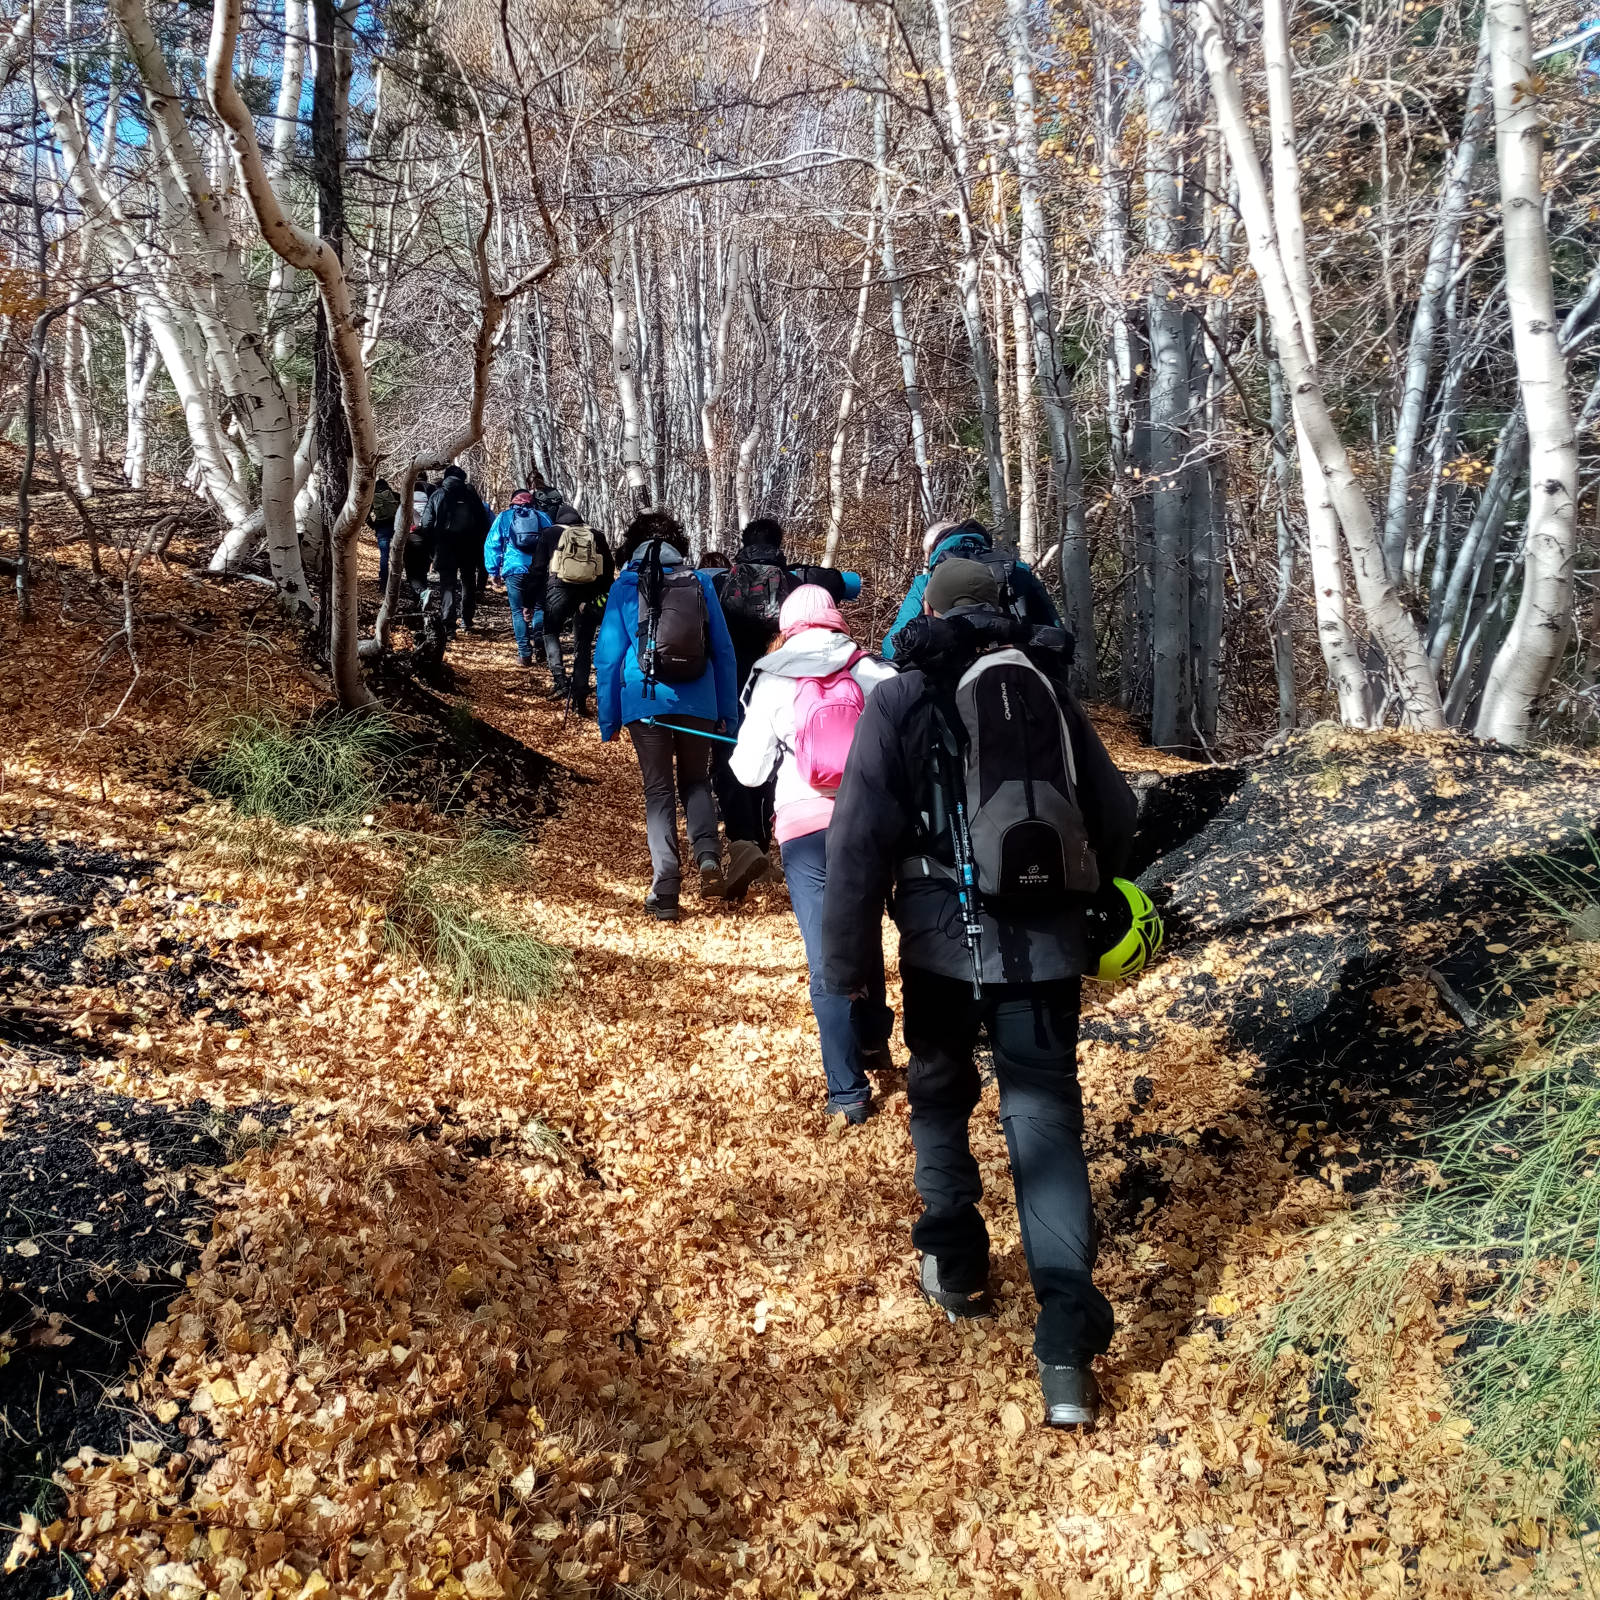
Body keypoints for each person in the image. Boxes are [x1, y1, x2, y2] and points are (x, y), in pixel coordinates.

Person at [821, 557, 1137, 1429]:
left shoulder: (900, 697)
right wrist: (1081, 896)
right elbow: (1115, 816)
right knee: (1044, 1120)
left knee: (939, 1091)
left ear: (932, 611)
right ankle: (1067, 1346)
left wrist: (847, 972)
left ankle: (956, 1262)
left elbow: (856, 846)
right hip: (1043, 951)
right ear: (999, 611)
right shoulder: (1047, 686)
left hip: (938, 947)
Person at [729, 585, 897, 1123]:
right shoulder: (872, 670)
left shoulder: (773, 674)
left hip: (805, 829)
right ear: (836, 620)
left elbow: (748, 771)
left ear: (789, 624)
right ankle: (874, 1038)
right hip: (869, 824)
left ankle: (847, 1093)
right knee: (865, 926)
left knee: (827, 952)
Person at [594, 511, 741, 922]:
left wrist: (609, 719)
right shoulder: (700, 582)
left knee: (658, 792)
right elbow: (724, 652)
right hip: (699, 700)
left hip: (645, 702)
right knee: (696, 781)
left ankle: (667, 891)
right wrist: (726, 713)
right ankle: (709, 858)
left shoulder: (625, 585)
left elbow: (607, 658)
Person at [712, 518, 861, 897]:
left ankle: (742, 843)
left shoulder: (719, 582)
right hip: (782, 682)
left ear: (742, 544)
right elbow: (848, 584)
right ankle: (765, 843)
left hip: (730, 686)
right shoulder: (799, 584)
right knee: (778, 760)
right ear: (779, 543)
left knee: (733, 758)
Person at [882, 517, 1060, 660]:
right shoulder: (1019, 571)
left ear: (931, 551)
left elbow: (892, 649)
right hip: (1020, 683)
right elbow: (1056, 637)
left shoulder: (926, 581)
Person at [541, 505, 612, 715]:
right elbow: (608, 570)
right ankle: (580, 693)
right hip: (589, 595)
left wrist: (531, 600)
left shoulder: (550, 533)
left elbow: (538, 568)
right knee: (583, 642)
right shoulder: (596, 535)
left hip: (558, 591)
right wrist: (602, 597)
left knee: (550, 631)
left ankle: (560, 680)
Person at [484, 490, 554, 667]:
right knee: (539, 608)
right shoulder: (542, 517)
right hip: (538, 569)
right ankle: (540, 646)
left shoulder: (504, 517)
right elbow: (554, 543)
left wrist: (494, 572)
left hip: (513, 569)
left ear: (512, 501)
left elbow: (493, 544)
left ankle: (524, 655)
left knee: (517, 612)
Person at [422, 465, 491, 639]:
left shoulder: (438, 494)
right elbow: (483, 522)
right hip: (470, 547)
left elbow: (426, 523)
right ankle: (467, 620)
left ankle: (449, 626)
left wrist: (432, 545)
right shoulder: (471, 495)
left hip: (445, 547)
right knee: (468, 583)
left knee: (447, 585)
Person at [369, 477, 400, 590]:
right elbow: (404, 511)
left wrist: (372, 525)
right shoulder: (396, 496)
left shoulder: (373, 498)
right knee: (398, 553)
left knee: (384, 555)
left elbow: (366, 515)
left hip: (381, 528)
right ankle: (397, 579)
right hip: (396, 528)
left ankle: (383, 582)